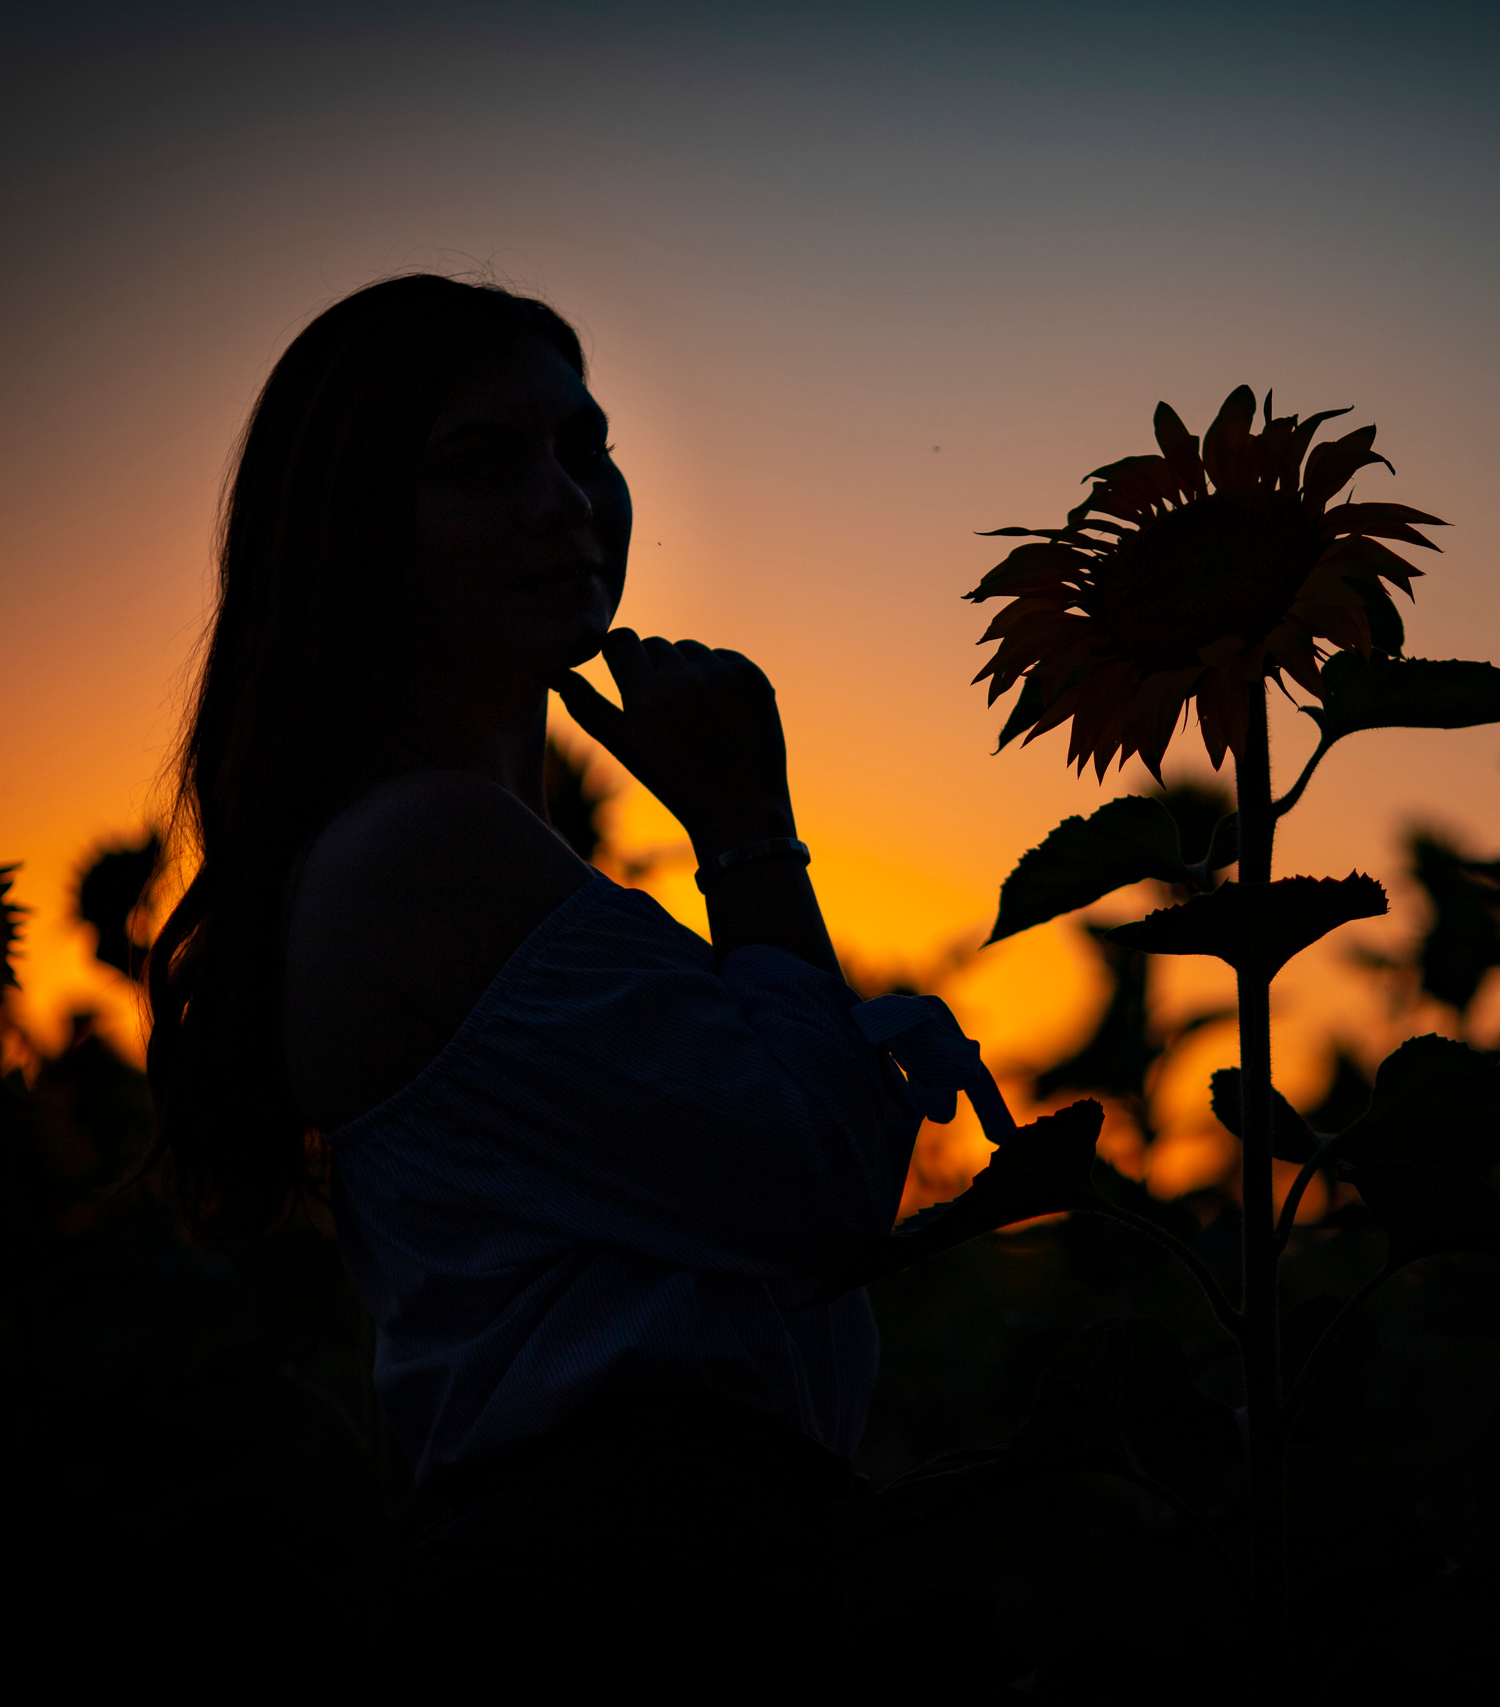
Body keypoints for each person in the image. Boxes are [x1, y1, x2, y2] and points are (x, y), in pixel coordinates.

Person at [145, 274, 928, 1678]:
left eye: (583, 449)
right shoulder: (421, 851)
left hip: (650, 1572)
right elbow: (816, 1185)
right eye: (481, 464)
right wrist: (749, 834)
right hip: (610, 1597)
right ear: (354, 532)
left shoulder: (458, 852)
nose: (564, 501)